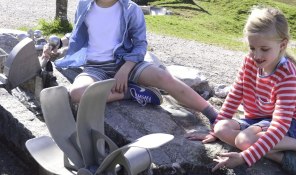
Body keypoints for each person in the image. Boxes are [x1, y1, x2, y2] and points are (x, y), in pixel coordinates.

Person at [188, 6, 296, 175]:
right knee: (221, 128)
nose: (256, 55)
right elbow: (236, 93)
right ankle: (281, 156)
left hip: (288, 124)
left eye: (264, 49)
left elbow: (279, 126)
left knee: (243, 140)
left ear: (283, 44)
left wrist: (244, 157)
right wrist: (214, 131)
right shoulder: (250, 60)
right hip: (257, 120)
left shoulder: (287, 75)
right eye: (252, 47)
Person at [42, 0, 217, 123]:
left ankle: (213, 114)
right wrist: (57, 42)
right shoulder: (84, 4)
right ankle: (131, 92)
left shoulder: (131, 9)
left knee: (163, 77)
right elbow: (76, 34)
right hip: (95, 67)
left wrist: (125, 69)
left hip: (125, 62)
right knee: (76, 94)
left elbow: (140, 45)